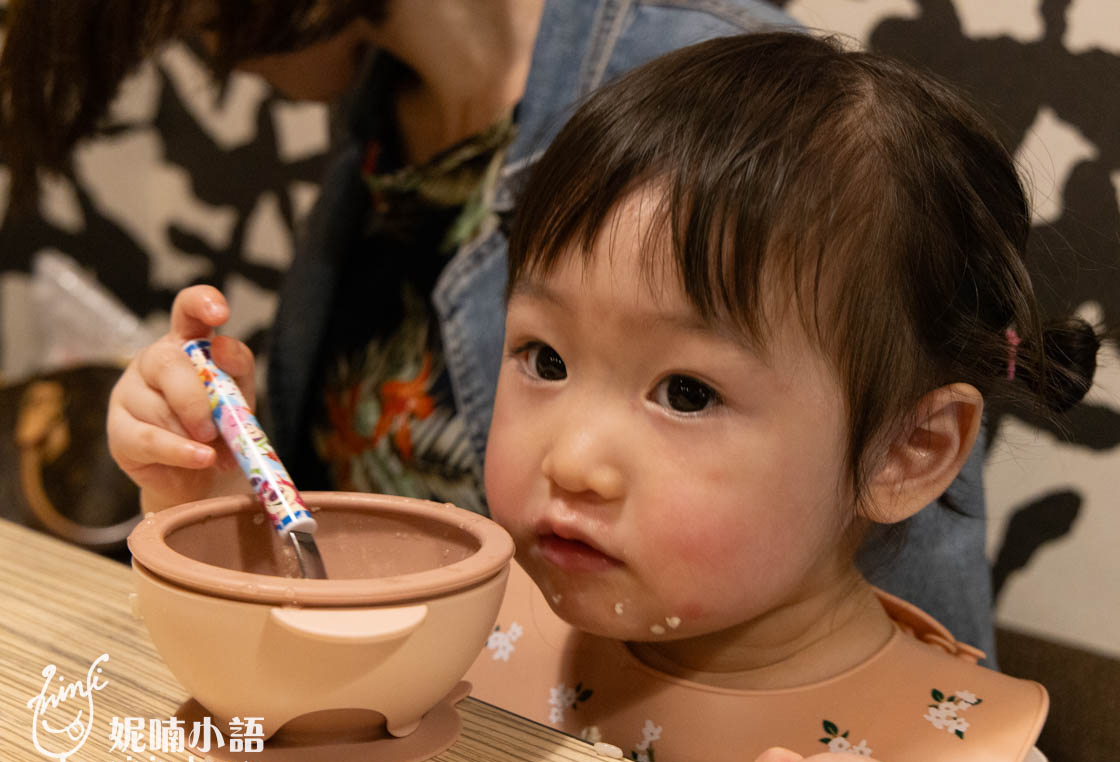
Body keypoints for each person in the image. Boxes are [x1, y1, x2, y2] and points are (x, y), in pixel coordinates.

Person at [1, 2, 995, 657]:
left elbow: (914, 672)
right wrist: (209, 502)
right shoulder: (382, 124)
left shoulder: (744, 115)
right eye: (545, 360)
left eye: (685, 392)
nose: (187, 40)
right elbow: (319, 635)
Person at [461, 31, 1098, 762]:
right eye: (545, 359)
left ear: (906, 451)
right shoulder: (460, 632)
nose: (571, 460)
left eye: (688, 393)